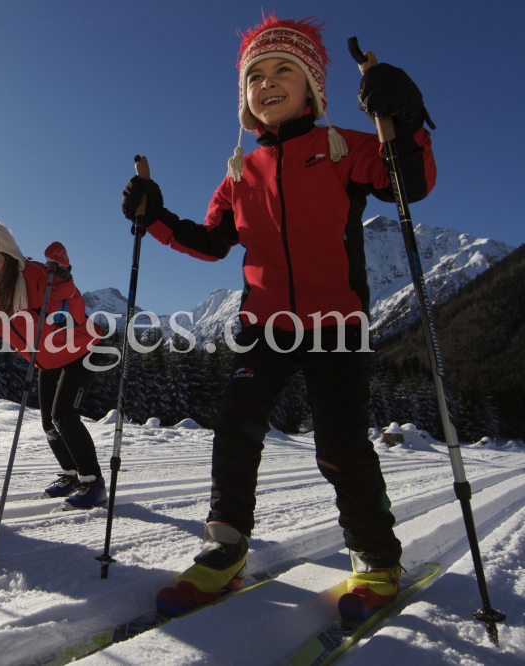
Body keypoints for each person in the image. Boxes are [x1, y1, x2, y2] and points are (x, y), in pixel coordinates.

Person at [121, 15, 436, 616]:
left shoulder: (343, 147)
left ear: (313, 85)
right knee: (234, 435)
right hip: (262, 326)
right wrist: (153, 216)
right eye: (255, 76)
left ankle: (374, 557)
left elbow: (408, 183)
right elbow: (212, 242)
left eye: (283, 70)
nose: (267, 84)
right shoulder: (240, 173)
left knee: (340, 447)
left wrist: (408, 117)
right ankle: (226, 550)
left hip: (337, 325)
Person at [0, 207, 106, 510]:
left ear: (10, 254)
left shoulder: (36, 275)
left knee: (64, 416)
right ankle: (70, 475)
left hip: (81, 351)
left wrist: (63, 276)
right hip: (45, 362)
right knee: (50, 424)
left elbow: (72, 311)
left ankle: (92, 483)